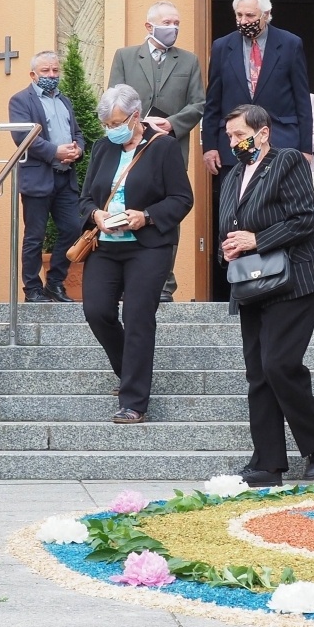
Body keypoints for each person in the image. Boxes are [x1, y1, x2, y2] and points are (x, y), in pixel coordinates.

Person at [218, 104, 314, 486]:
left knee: (278, 364)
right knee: (258, 372)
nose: (235, 142)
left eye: (240, 134)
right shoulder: (233, 175)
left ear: (264, 132)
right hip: (252, 283)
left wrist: (257, 239)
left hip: (295, 278)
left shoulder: (287, 160)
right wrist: (230, 247)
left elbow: (304, 217)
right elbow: (233, 224)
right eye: (230, 137)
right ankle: (268, 463)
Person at [78, 85, 193, 424]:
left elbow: (181, 198)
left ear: (136, 116)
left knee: (139, 316)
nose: (112, 130)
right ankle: (129, 369)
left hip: (148, 246)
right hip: (106, 246)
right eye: (107, 125)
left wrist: (147, 216)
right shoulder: (102, 148)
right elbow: (84, 198)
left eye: (117, 123)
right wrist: (96, 215)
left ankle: (134, 401)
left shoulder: (164, 148)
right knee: (97, 311)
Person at [107, 1, 203, 302]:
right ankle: (130, 279)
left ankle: (164, 284)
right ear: (149, 26)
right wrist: (137, 123)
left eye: (177, 22)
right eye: (167, 22)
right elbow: (113, 99)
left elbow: (199, 103)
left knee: (168, 212)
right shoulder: (124, 57)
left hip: (169, 147)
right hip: (131, 146)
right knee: (130, 207)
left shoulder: (189, 61)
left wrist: (171, 123)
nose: (173, 27)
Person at [202, 0, 313, 174]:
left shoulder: (290, 44)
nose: (243, 21)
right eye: (239, 15)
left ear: (266, 14)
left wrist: (305, 148)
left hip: (281, 142)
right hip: (233, 147)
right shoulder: (221, 46)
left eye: (250, 16)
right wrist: (209, 146)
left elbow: (302, 100)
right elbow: (213, 101)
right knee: (235, 202)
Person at [10, 50, 86, 303]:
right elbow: (23, 138)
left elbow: (77, 133)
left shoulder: (65, 101)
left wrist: (77, 150)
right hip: (38, 179)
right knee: (35, 236)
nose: (52, 75)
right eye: (45, 71)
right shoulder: (20, 100)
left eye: (55, 70)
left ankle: (55, 283)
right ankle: (32, 289)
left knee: (73, 229)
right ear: (33, 74)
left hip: (66, 177)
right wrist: (55, 151)